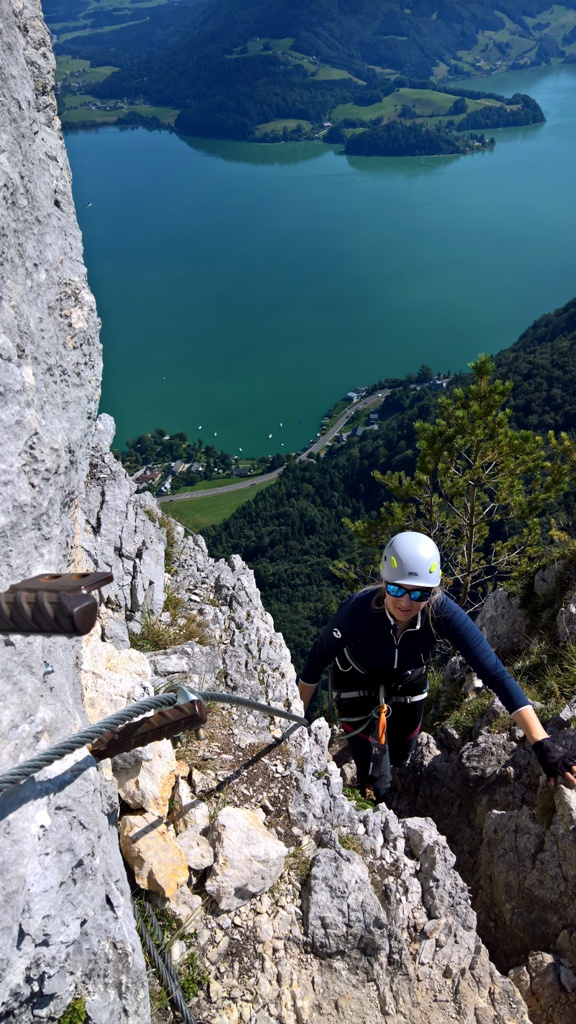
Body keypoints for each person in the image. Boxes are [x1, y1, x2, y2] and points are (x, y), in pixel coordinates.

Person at [298, 531, 576, 804]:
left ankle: (387, 782)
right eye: (396, 589)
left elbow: (494, 673)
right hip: (355, 681)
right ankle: (370, 800)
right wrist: (295, 722)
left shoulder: (440, 612)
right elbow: (315, 664)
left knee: (402, 754)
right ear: (383, 583)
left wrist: (541, 742)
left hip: (408, 682)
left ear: (432, 590)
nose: (406, 602)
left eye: (419, 592)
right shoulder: (359, 611)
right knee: (369, 770)